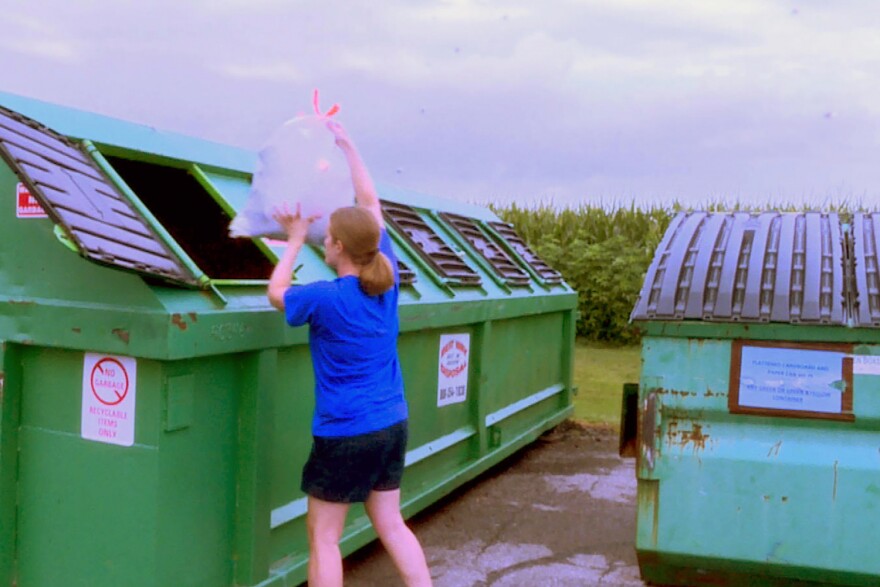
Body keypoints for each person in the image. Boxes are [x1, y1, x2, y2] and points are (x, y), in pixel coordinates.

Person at [267, 120, 432, 587]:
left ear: (336, 246)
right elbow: (371, 205)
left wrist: (295, 238)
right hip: (390, 424)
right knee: (390, 522)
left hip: (344, 433)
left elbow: (276, 292)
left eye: (327, 234)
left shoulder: (322, 297)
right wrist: (349, 146)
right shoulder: (388, 280)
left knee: (323, 537)